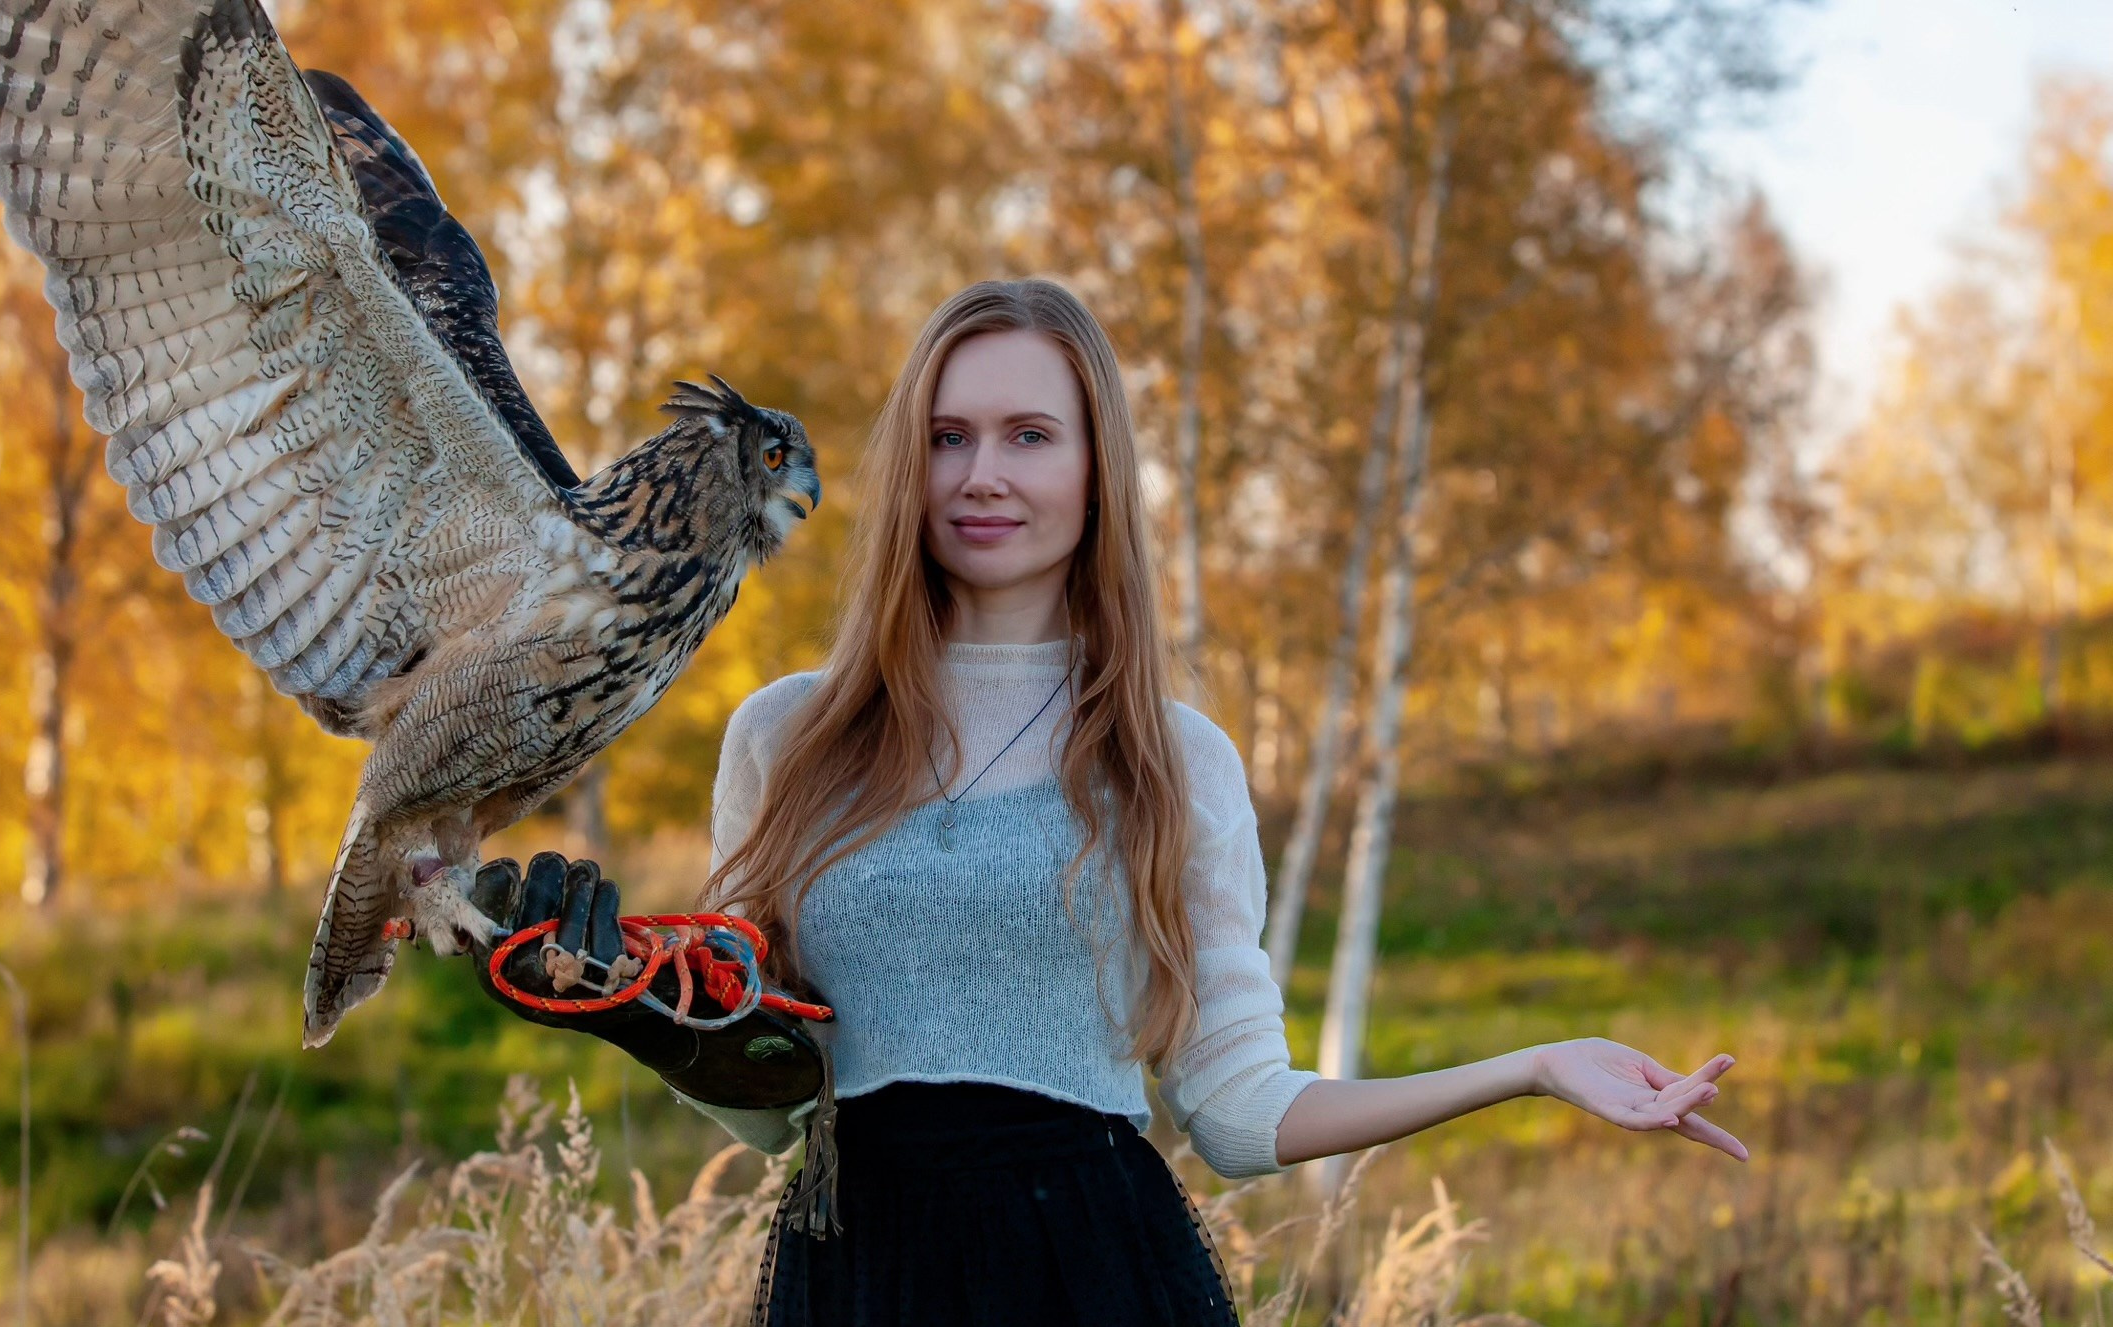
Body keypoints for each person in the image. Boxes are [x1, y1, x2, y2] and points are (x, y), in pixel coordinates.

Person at [476, 279, 1744, 1327]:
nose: (984, 474)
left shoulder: (1174, 758)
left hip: (1094, 1276)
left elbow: (1241, 1108)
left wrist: (1528, 1066)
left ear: (1096, 471)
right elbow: (769, 1097)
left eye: (1031, 434)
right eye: (948, 435)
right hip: (855, 1277)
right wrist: (642, 1017)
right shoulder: (787, 736)